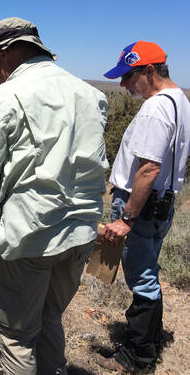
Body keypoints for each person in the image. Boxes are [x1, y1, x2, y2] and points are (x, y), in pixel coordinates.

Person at [0, 17, 109, 373]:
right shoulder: (91, 94)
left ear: (5, 54)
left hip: (28, 237)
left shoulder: (4, 100)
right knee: (49, 317)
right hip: (80, 234)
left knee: (15, 336)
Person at [94, 41, 190, 372]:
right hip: (162, 204)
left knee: (142, 279)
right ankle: (146, 343)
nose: (123, 84)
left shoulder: (155, 108)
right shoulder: (180, 101)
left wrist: (126, 218)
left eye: (128, 77)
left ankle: (137, 357)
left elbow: (149, 169)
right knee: (148, 274)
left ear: (149, 71)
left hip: (142, 206)